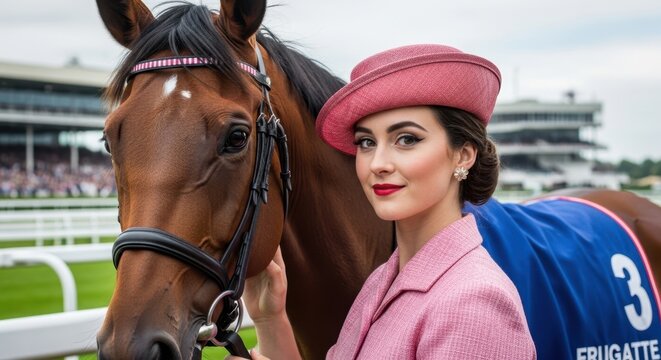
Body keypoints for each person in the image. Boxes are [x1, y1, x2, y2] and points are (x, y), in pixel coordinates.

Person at [229, 44, 536, 359]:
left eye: (407, 139)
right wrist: (270, 317)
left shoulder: (474, 304)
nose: (377, 163)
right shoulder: (381, 282)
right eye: (366, 142)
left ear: (463, 155)